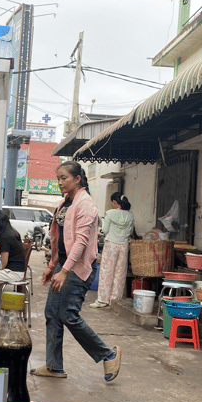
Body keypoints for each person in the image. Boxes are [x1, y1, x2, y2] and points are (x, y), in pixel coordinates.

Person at [31, 161, 122, 382]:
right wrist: (53, 266)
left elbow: (80, 242)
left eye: (64, 178)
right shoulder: (65, 203)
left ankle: (108, 354)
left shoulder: (86, 204)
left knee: (68, 315)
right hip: (63, 266)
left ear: (77, 178)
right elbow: (57, 237)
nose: (60, 182)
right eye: (58, 178)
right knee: (52, 313)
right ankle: (54, 366)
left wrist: (64, 271)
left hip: (77, 268)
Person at [90, 192, 134, 309]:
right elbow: (130, 232)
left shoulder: (110, 213)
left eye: (112, 202)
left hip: (111, 245)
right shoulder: (130, 215)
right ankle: (114, 300)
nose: (111, 204)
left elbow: (104, 229)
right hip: (124, 246)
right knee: (120, 273)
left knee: (106, 272)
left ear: (115, 202)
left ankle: (102, 300)